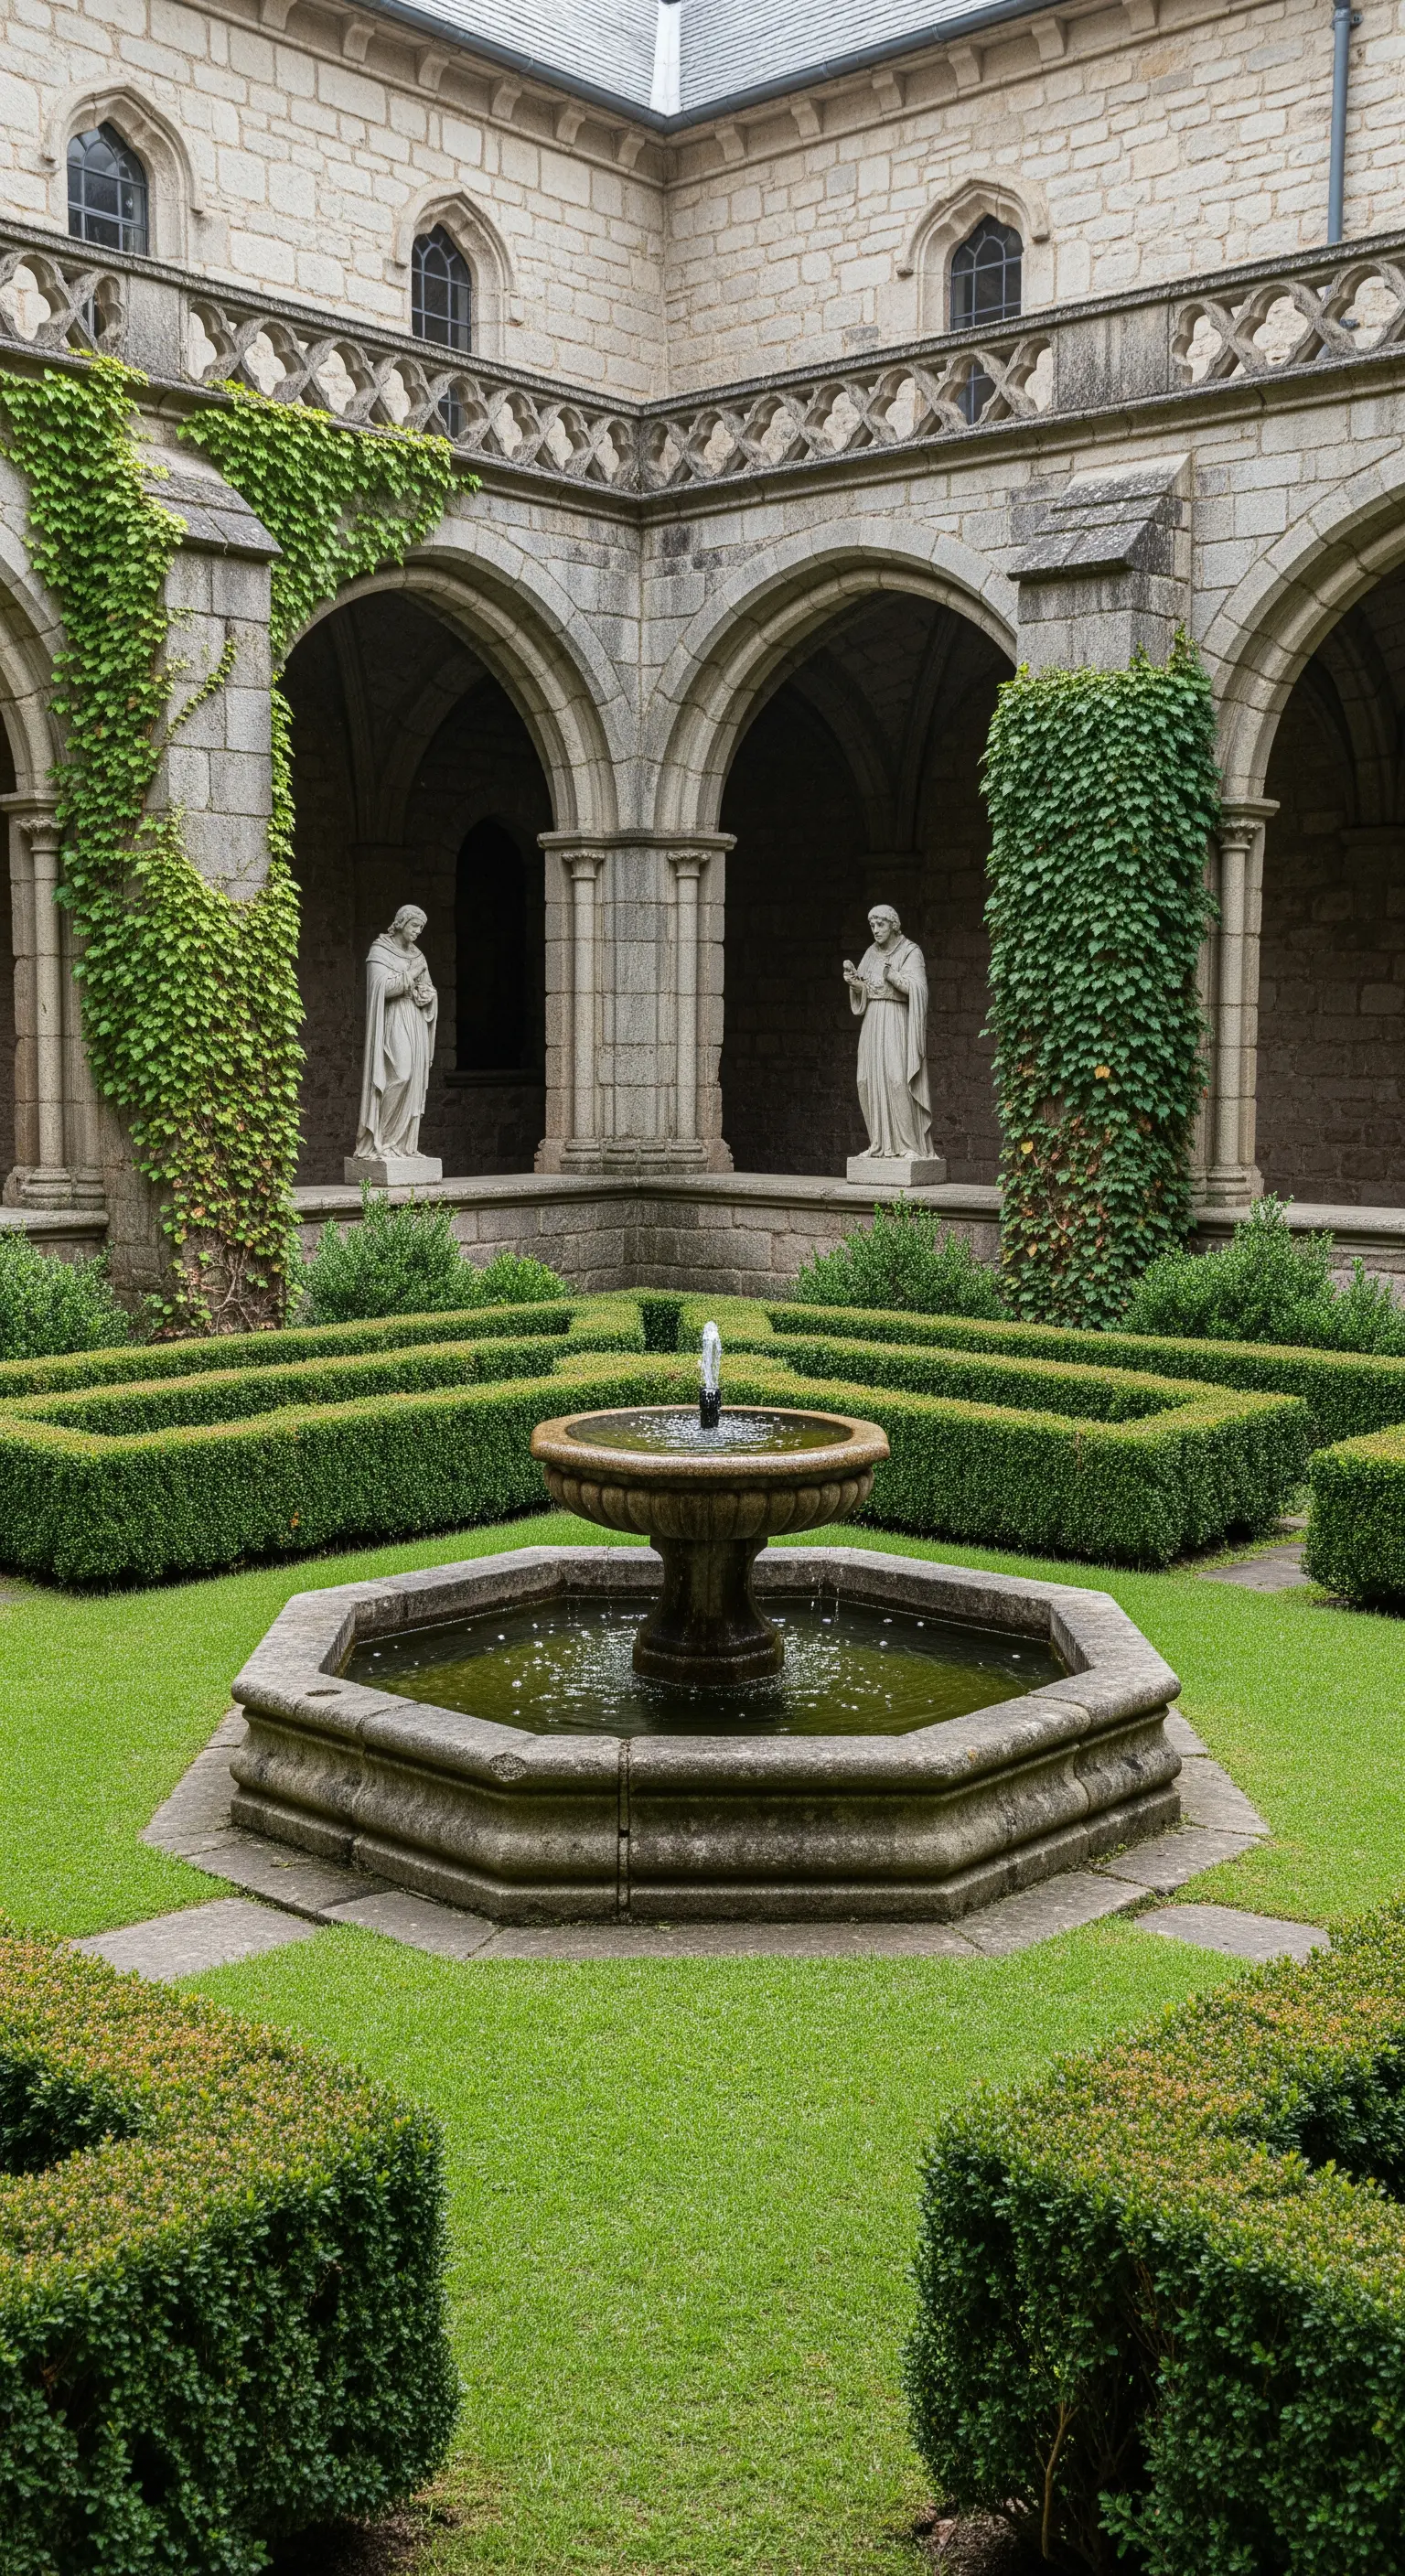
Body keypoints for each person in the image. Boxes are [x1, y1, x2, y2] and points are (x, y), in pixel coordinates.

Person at [842, 904, 935, 1162]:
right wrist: (855, 984)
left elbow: (920, 989)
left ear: (893, 925)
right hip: (873, 1021)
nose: (875, 930)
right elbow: (865, 988)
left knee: (896, 1079)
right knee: (866, 1080)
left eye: (880, 924)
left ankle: (909, 1145)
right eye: (872, 925)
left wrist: (893, 976)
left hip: (896, 1019)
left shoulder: (910, 951)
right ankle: (878, 1144)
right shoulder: (871, 953)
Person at [354, 904, 438, 1161]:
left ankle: (403, 1146)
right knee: (400, 1074)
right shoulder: (380, 950)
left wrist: (428, 995)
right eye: (414, 925)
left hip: (415, 1019)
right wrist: (411, 975)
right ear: (401, 923)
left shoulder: (418, 955)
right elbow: (382, 988)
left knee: (413, 1080)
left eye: (421, 927)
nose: (418, 931)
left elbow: (427, 987)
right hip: (394, 1018)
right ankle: (381, 1140)